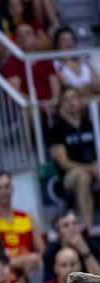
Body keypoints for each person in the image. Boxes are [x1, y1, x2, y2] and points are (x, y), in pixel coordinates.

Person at [48, 88, 98, 230]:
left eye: (74, 98)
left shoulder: (90, 123)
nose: (72, 103)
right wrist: (90, 168)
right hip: (69, 175)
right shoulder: (58, 129)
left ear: (80, 100)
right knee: (83, 177)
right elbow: (64, 163)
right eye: (67, 99)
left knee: (88, 175)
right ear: (62, 104)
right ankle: (88, 227)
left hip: (94, 168)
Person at [0, 170, 44, 272]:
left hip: (31, 269)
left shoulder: (28, 218)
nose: (3, 191)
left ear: (12, 188)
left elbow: (42, 250)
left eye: (7, 186)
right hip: (3, 270)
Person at [1, 23, 60, 105]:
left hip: (50, 105)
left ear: (35, 38)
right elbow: (16, 91)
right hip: (28, 107)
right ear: (17, 40)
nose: (23, 37)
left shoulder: (45, 58)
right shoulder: (11, 62)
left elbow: (54, 83)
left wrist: (54, 101)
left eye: (28, 33)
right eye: (20, 35)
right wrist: (38, 105)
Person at [43, 210, 100, 282]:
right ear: (58, 232)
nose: (72, 228)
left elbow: (98, 280)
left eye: (74, 223)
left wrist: (84, 249)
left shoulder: (92, 245)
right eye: (66, 225)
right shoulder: (51, 252)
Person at [52, 26, 100, 98]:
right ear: (57, 44)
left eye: (71, 40)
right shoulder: (56, 64)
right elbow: (67, 88)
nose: (68, 43)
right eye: (64, 41)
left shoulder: (86, 61)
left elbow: (98, 85)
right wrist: (88, 87)